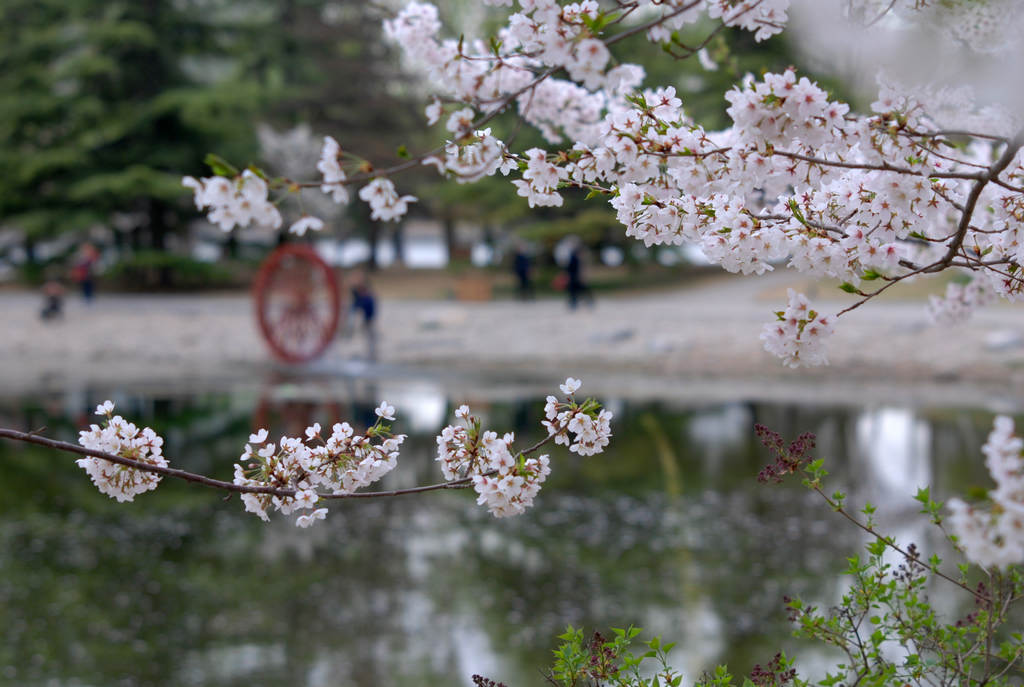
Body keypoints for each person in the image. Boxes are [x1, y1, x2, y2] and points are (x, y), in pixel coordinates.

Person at [348, 273, 378, 361]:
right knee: (369, 338)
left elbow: (364, 306)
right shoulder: (361, 296)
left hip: (369, 319)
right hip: (366, 319)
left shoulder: (366, 297)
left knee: (370, 337)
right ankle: (371, 355)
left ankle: (371, 355)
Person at [565, 242, 593, 310]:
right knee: (576, 291)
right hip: (574, 277)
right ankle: (575, 303)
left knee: (579, 291)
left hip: (575, 277)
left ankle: (585, 302)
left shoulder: (575, 257)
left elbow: (577, 268)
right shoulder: (574, 257)